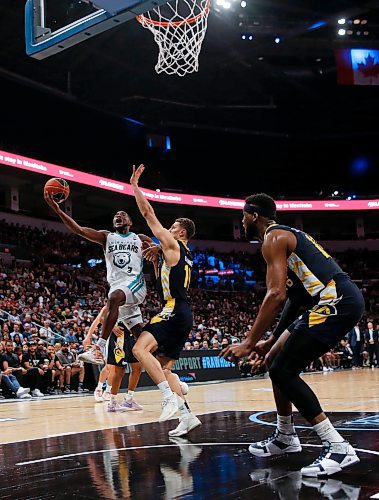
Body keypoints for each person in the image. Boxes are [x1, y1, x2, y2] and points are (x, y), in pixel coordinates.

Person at [221, 193, 365, 477]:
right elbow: (295, 298)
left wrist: (249, 342)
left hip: (336, 300)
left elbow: (276, 294)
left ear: (253, 216)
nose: (241, 221)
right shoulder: (288, 238)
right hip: (328, 301)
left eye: (242, 216)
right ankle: (286, 436)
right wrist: (270, 341)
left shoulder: (273, 238)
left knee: (285, 371)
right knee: (276, 363)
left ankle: (338, 447)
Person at [130, 164, 201, 436]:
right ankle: (186, 415)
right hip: (183, 313)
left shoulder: (172, 246)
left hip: (173, 310)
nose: (169, 229)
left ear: (181, 232)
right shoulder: (182, 252)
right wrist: (159, 248)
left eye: (173, 227)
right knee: (164, 366)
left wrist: (135, 186)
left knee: (139, 350)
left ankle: (169, 398)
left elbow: (148, 214)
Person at [44, 193, 151, 367]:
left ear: (130, 222)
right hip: (118, 290)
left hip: (135, 285)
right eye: (116, 216)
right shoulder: (106, 237)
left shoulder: (139, 239)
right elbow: (79, 230)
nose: (119, 216)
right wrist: (57, 210)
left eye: (123, 215)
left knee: (113, 298)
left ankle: (98, 348)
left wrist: (157, 249)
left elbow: (159, 252)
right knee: (141, 339)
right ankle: (168, 375)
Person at [88, 304, 144, 411]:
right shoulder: (117, 296)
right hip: (120, 335)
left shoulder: (135, 298)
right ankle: (112, 401)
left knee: (137, 368)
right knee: (118, 370)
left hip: (133, 333)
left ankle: (129, 399)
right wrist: (112, 327)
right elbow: (102, 317)